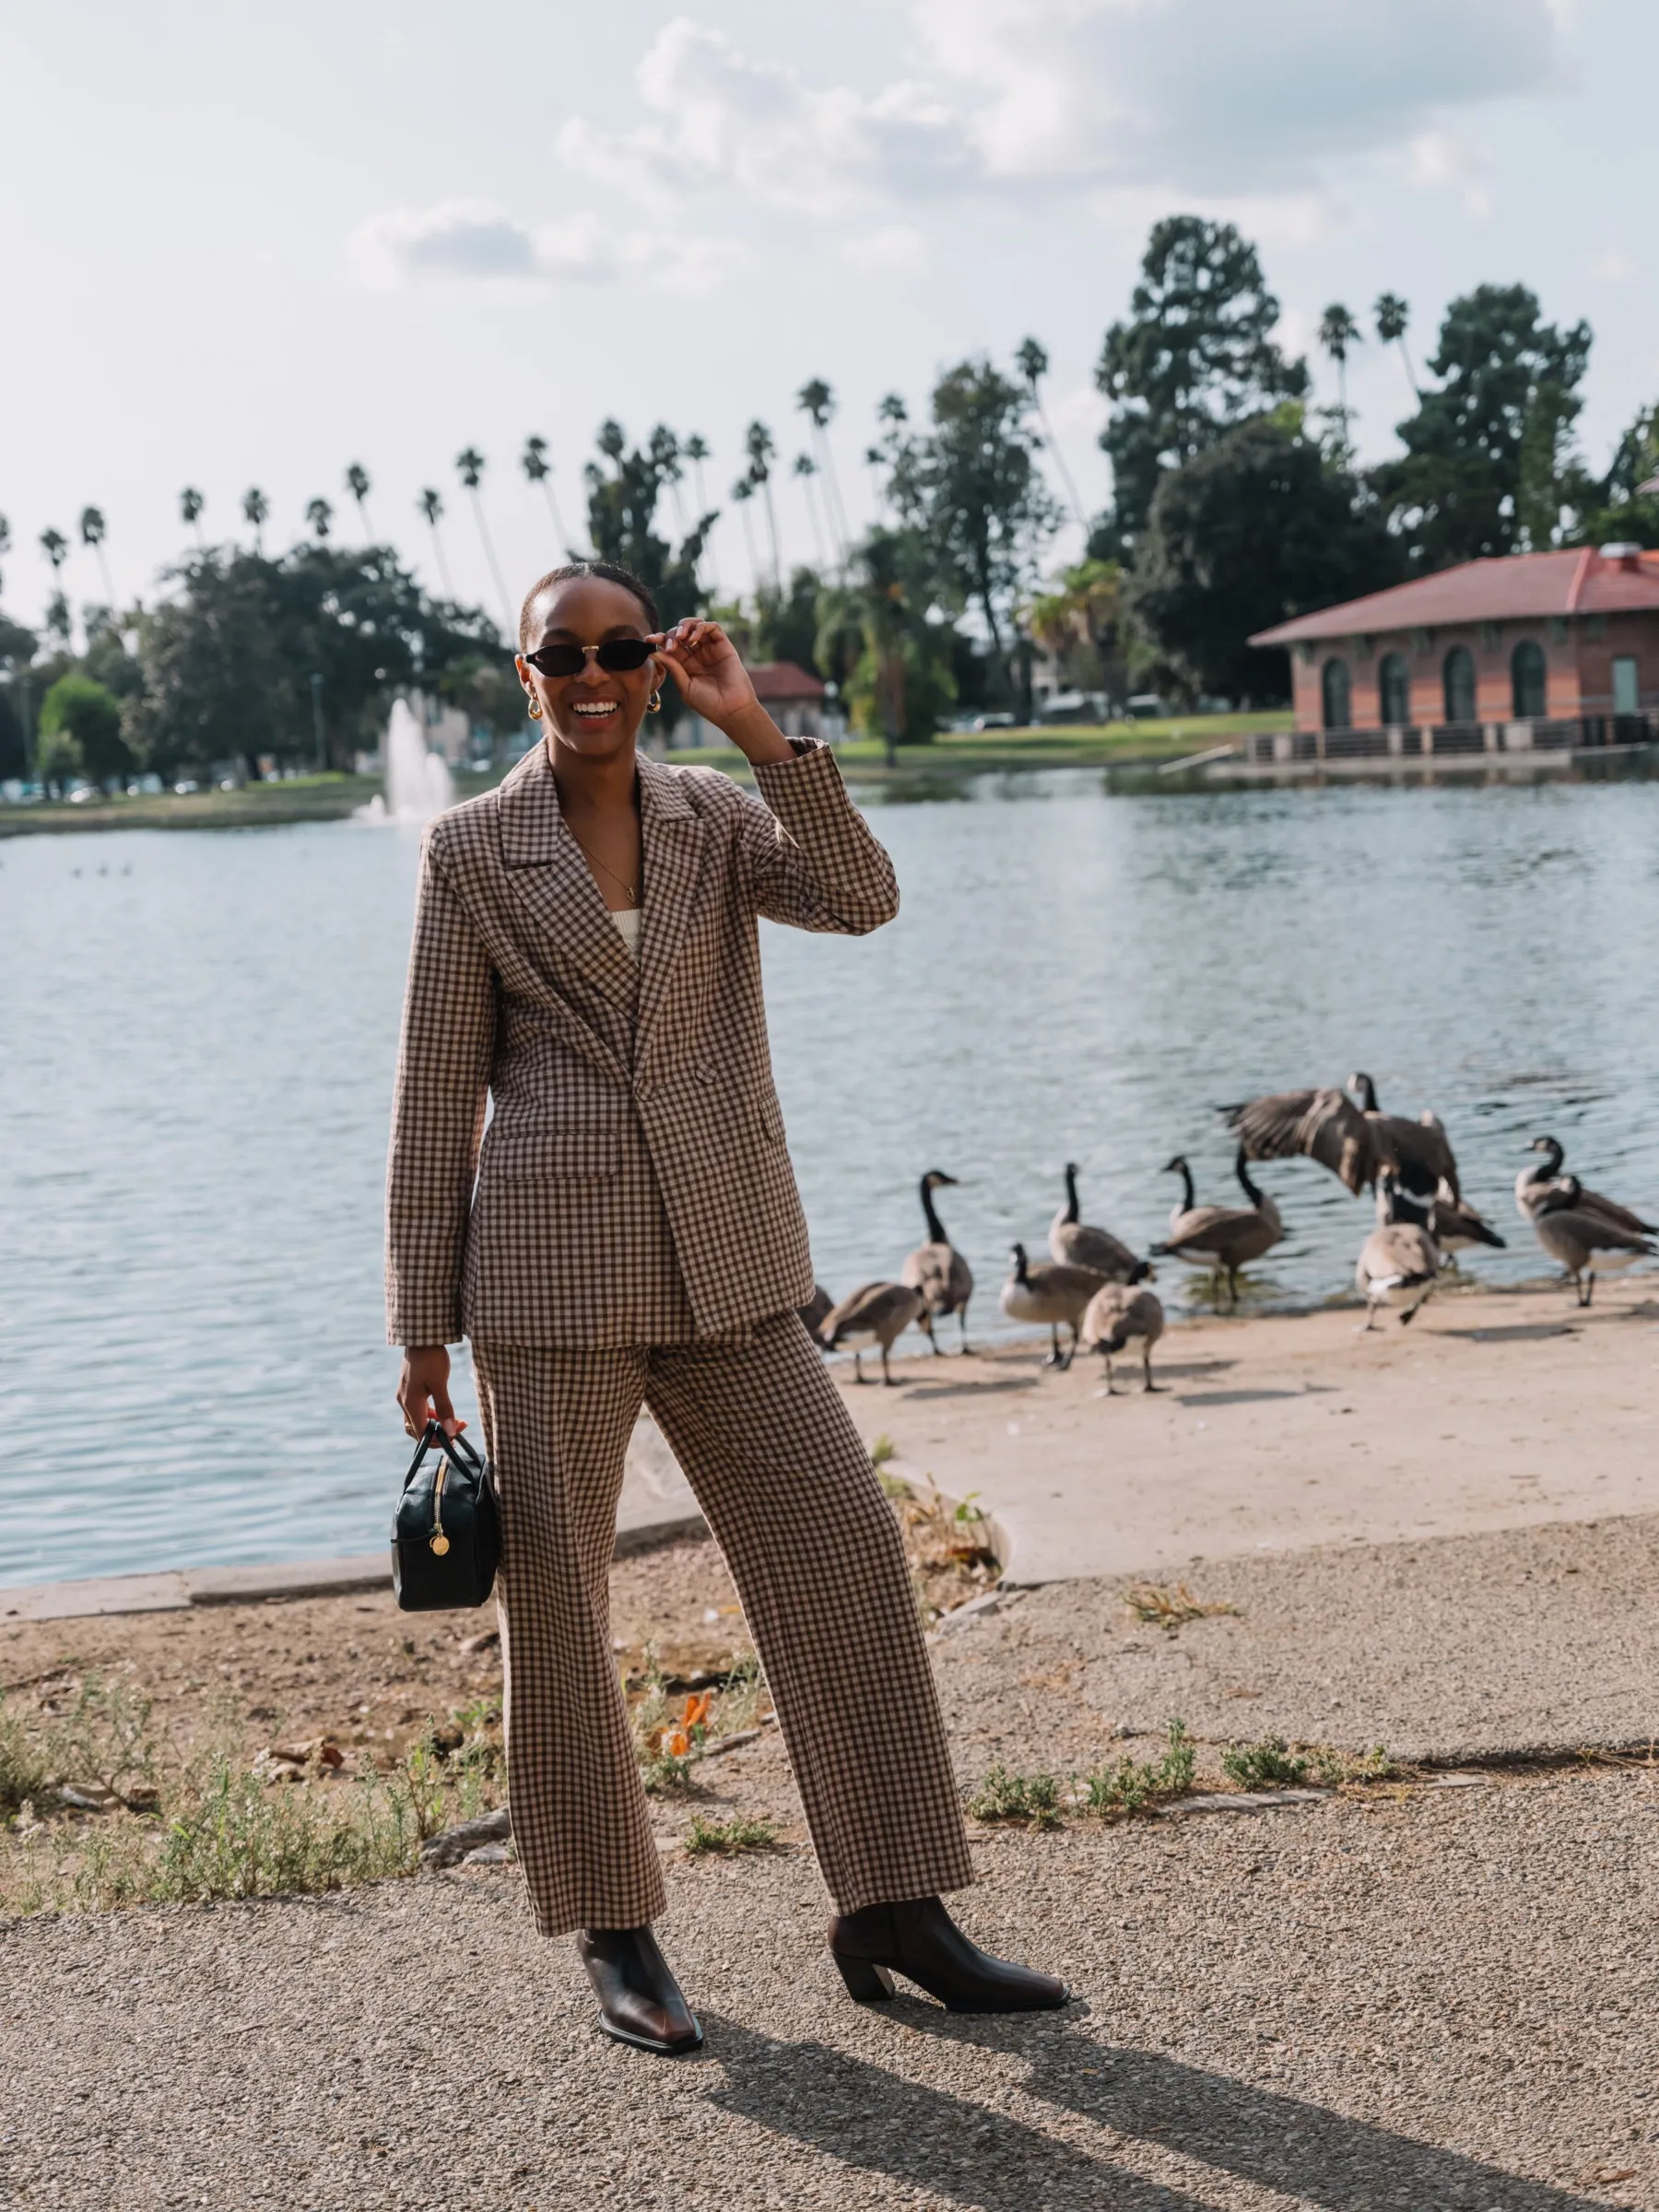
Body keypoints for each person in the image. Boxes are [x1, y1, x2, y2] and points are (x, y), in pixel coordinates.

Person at [387, 560, 1066, 2055]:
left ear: (653, 664)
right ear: (523, 672)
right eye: (559, 652)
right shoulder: (469, 849)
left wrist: (758, 729)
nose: (592, 673)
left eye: (619, 650)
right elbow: (437, 1098)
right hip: (549, 1282)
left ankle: (893, 1904)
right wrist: (419, 1331)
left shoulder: (714, 815)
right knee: (561, 1611)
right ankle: (617, 1932)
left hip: (738, 1259)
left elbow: (862, 898)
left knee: (843, 1551)